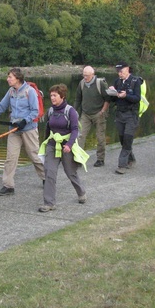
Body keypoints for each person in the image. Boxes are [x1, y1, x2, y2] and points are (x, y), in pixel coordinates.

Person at [0, 67, 45, 195]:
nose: (7, 79)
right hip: (13, 130)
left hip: (29, 129)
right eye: (8, 77)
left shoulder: (29, 91)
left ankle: (47, 178)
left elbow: (35, 111)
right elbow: (1, 106)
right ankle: (8, 186)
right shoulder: (11, 92)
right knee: (10, 158)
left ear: (18, 79)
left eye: (10, 77)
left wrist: (25, 121)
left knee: (34, 156)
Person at [38, 84, 88, 212]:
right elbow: (48, 129)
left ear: (62, 96)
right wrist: (45, 142)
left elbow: (75, 129)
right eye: (51, 95)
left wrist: (69, 145)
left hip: (66, 146)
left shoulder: (70, 111)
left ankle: (81, 192)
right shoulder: (50, 111)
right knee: (49, 172)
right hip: (52, 145)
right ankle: (49, 203)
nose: (52, 98)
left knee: (71, 172)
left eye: (55, 95)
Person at [109, 62, 142, 175]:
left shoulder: (135, 81)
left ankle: (122, 165)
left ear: (127, 69)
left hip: (131, 114)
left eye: (121, 71)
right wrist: (112, 93)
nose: (119, 73)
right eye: (118, 71)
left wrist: (126, 95)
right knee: (123, 139)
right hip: (119, 114)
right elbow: (114, 100)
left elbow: (137, 98)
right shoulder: (117, 81)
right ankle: (131, 158)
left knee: (128, 138)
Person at [74, 65, 110, 167]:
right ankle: (78, 159)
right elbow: (78, 99)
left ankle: (100, 159)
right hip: (85, 114)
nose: (85, 77)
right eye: (84, 75)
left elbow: (108, 99)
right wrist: (73, 111)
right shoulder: (81, 83)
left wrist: (103, 111)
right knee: (79, 136)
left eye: (87, 76)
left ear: (92, 75)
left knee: (100, 137)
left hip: (98, 114)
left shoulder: (100, 84)